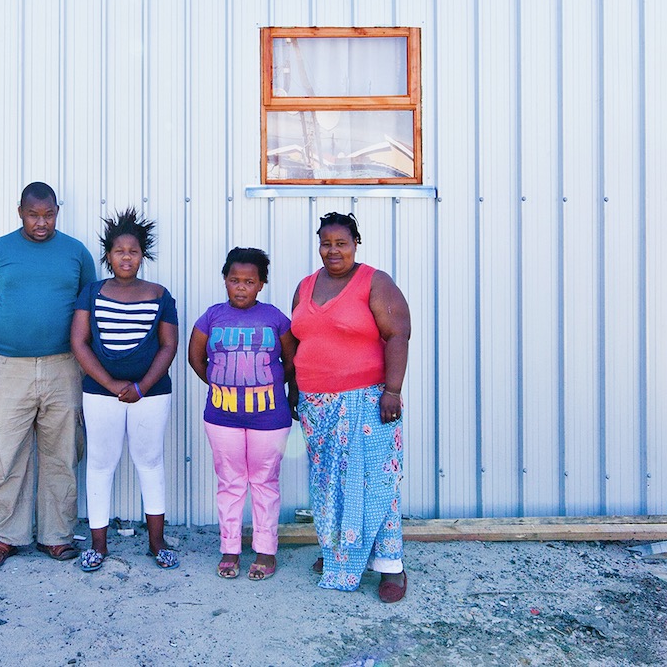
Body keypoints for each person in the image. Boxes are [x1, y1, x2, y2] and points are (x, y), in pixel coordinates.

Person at [0, 181, 96, 572]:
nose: (42, 222)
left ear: (58, 210)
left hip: (64, 366)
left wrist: (94, 367)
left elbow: (91, 311)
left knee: (63, 452)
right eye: (34, 215)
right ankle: (6, 537)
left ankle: (56, 536)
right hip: (8, 367)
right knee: (6, 454)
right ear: (20, 211)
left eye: (49, 214)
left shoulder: (76, 253)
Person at [281, 211, 412, 601]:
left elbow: (398, 334)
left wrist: (393, 390)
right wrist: (293, 389)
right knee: (328, 486)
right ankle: (338, 550)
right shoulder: (304, 287)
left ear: (356, 243)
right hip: (316, 404)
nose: (333, 250)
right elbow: (297, 344)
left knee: (375, 485)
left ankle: (391, 567)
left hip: (367, 401)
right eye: (326, 243)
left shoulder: (375, 282)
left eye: (342, 243)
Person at [70, 209, 180, 571]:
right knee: (101, 464)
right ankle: (98, 546)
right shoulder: (92, 292)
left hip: (151, 393)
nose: (127, 258)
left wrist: (142, 386)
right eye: (119, 252)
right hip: (102, 393)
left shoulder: (160, 295)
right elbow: (80, 343)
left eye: (133, 251)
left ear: (142, 254)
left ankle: (156, 542)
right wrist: (114, 385)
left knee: (150, 463)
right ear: (108, 255)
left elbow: (168, 345)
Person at [187, 246, 292, 581]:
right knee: (230, 483)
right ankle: (230, 548)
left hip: (269, 417)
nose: (242, 287)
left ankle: (265, 550)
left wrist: (268, 386)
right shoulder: (212, 316)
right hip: (222, 416)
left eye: (249, 281)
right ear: (225, 281)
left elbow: (292, 362)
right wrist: (223, 383)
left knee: (265, 482)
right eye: (235, 280)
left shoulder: (275, 317)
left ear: (261, 283)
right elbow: (196, 358)